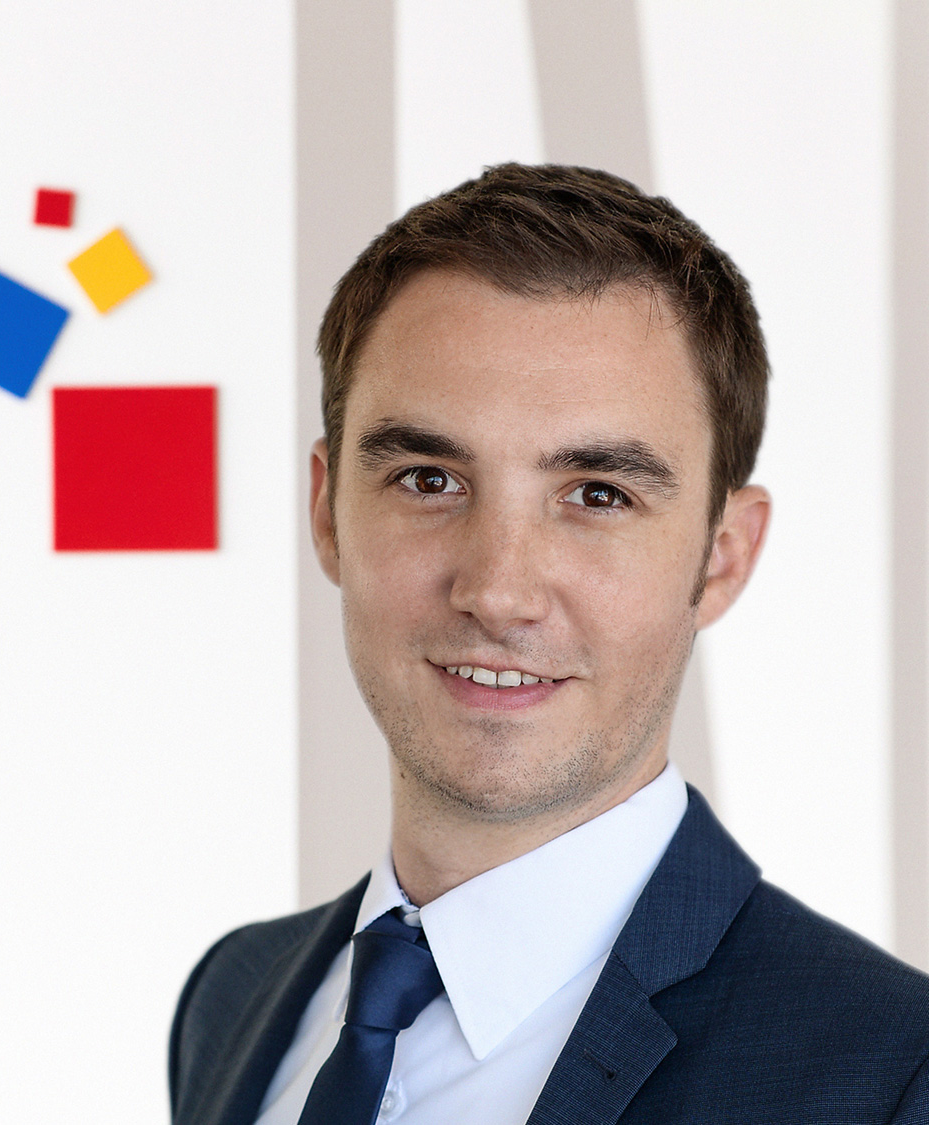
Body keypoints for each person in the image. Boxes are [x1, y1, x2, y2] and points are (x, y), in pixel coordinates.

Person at [169, 164, 929, 1124]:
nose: (498, 591)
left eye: (598, 495)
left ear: (723, 555)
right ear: (328, 512)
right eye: (428, 479)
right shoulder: (233, 995)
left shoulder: (892, 1075)